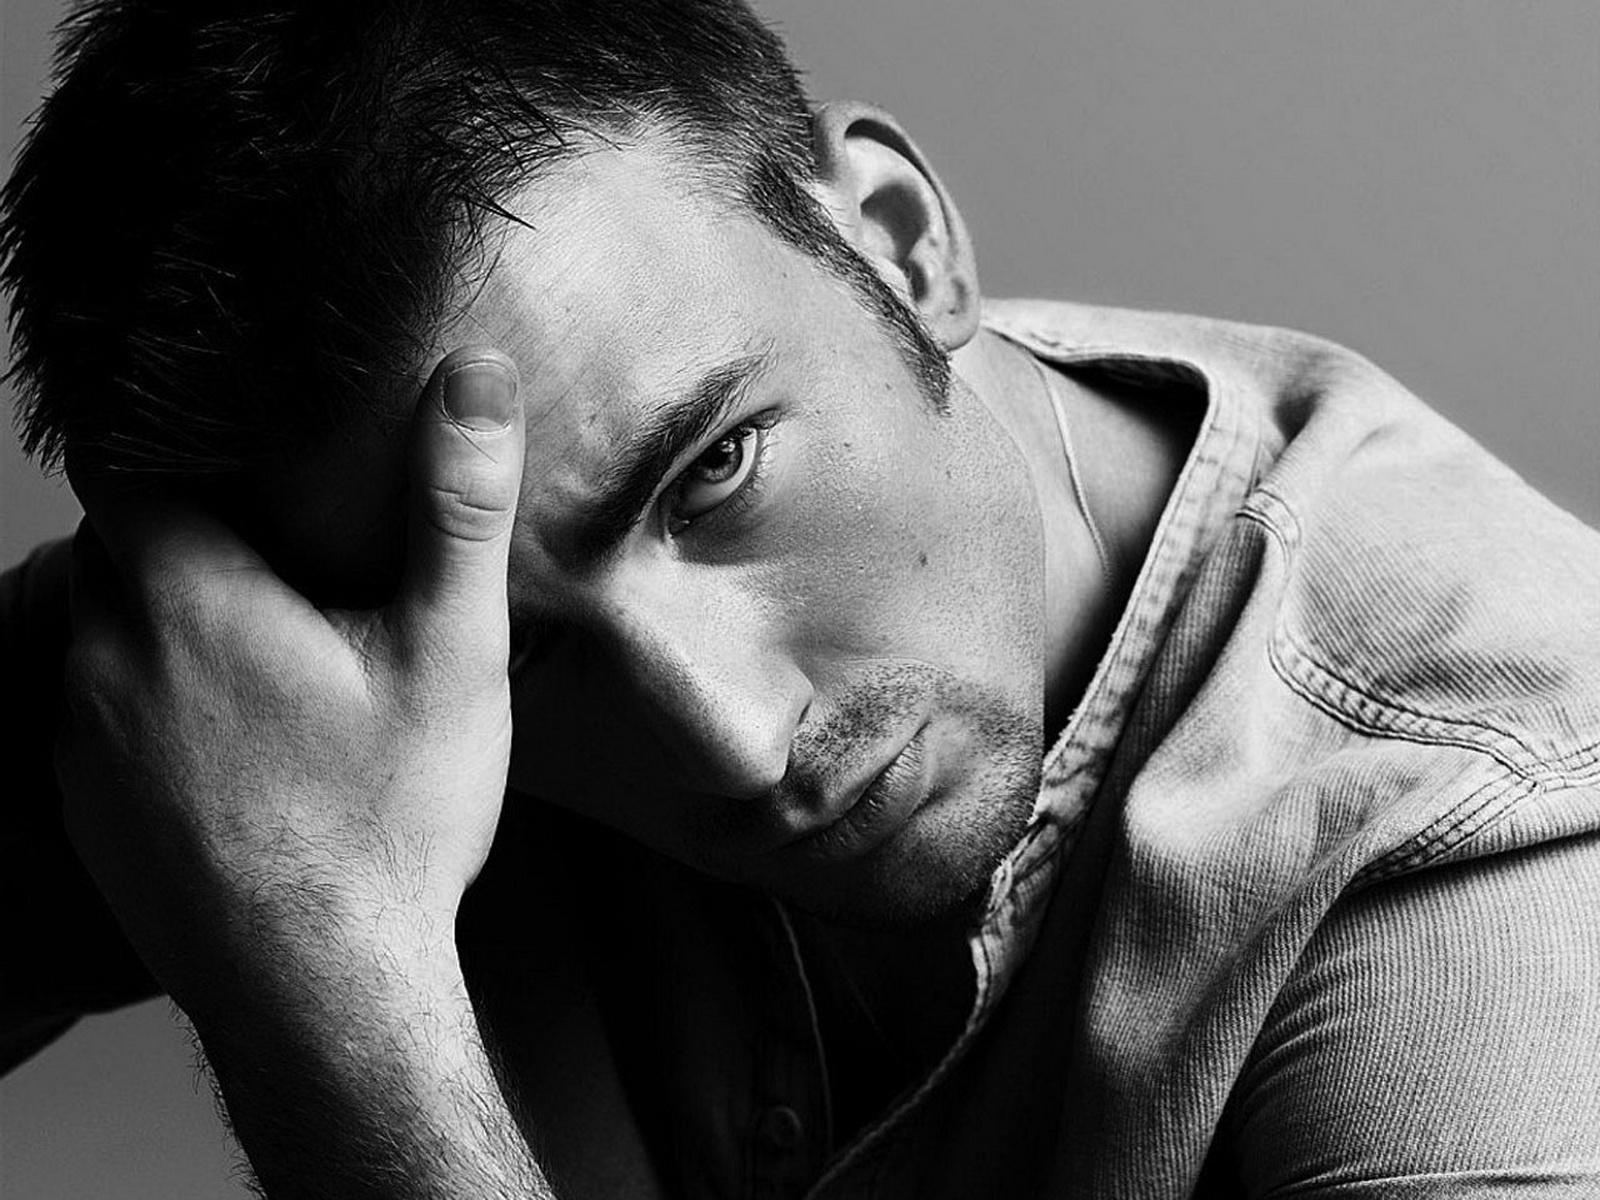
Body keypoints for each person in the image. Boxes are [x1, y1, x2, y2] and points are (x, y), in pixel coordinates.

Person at [2, 0, 1597, 1196]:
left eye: (713, 474)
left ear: (900, 245)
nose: (735, 740)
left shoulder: (1486, 849)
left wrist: (332, 1001)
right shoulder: (325, 645)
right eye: (518, 654)